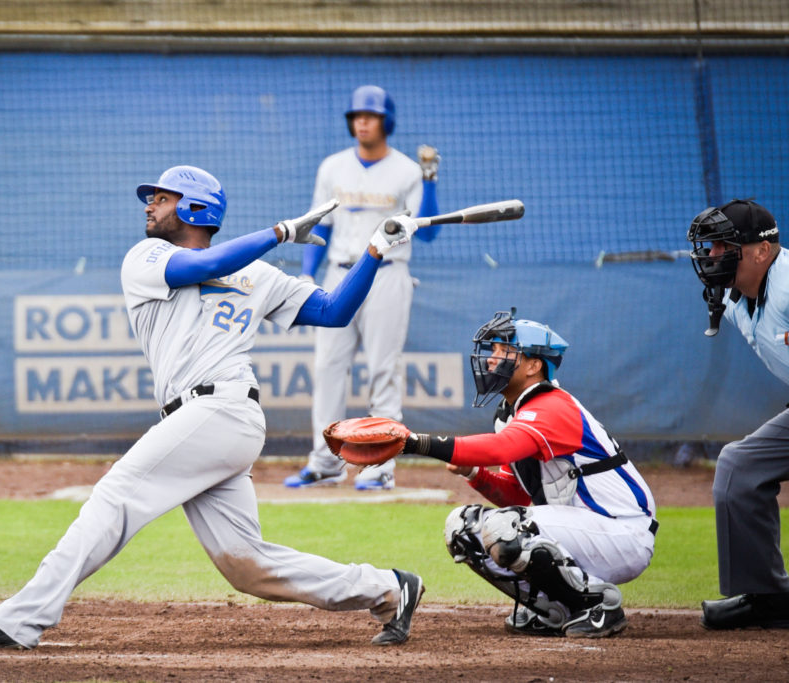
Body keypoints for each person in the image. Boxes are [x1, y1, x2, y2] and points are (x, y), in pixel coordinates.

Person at [0, 165, 425, 649]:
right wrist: (279, 233)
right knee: (247, 565)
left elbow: (333, 310)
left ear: (195, 206)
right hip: (199, 420)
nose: (149, 205)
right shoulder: (146, 256)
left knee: (114, 498)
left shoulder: (258, 274)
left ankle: (20, 620)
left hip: (223, 409)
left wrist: (375, 251)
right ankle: (387, 587)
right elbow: (203, 268)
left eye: (162, 197)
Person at [395, 309, 657, 637]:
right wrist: (475, 474)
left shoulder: (553, 405)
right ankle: (554, 608)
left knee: (507, 527)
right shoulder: (512, 412)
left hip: (621, 532)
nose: (491, 359)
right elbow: (519, 496)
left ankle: (596, 606)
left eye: (504, 351)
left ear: (534, 365)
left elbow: (502, 448)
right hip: (581, 528)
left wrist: (418, 444)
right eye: (492, 351)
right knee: (462, 528)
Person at [285, 84, 443, 492]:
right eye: (357, 116)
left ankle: (379, 466)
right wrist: (307, 273)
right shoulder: (333, 166)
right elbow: (320, 223)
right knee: (327, 367)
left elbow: (426, 235)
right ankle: (324, 461)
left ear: (385, 121)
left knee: (382, 369)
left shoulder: (407, 170)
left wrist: (430, 181)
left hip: (388, 273)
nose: (362, 123)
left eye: (369, 116)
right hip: (338, 272)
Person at [686, 198, 789, 629]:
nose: (711, 257)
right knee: (738, 467)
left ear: (761, 252)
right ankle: (768, 599)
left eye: (722, 247)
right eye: (709, 248)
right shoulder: (732, 299)